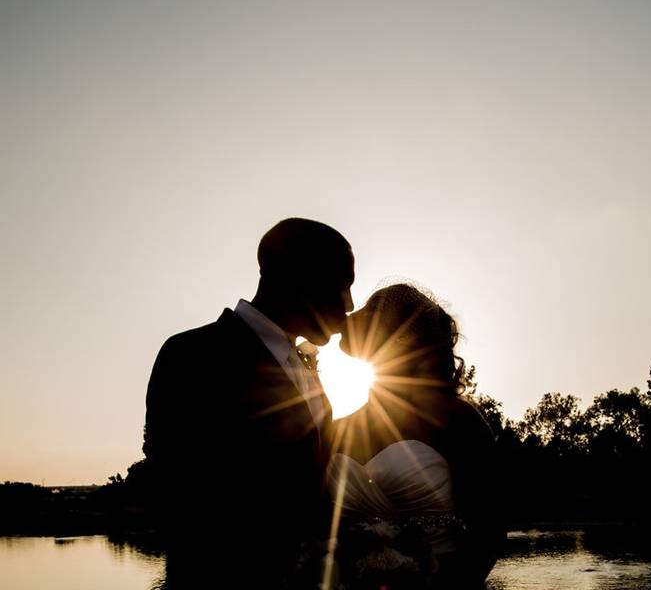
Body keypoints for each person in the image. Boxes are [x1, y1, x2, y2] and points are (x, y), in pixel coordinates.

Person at [143, 218, 355, 586]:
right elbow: (176, 492)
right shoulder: (192, 356)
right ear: (298, 277)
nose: (349, 304)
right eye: (341, 285)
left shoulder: (309, 372)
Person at [328, 283, 503, 589]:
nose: (353, 314)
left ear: (400, 334)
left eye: (372, 311)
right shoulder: (337, 427)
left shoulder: (457, 421)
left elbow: (488, 534)